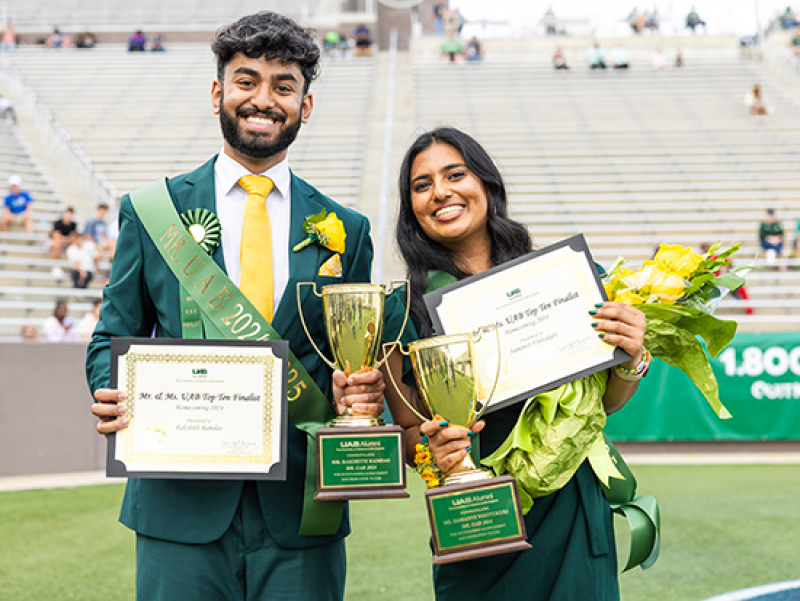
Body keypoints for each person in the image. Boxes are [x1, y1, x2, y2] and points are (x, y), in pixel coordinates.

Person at [86, 11, 387, 600]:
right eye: (248, 81)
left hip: (302, 508)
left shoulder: (348, 231)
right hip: (180, 506)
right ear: (219, 92)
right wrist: (109, 389)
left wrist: (360, 390)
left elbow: (353, 360)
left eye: (284, 85)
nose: (263, 99)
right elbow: (110, 337)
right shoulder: (154, 212)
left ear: (305, 105)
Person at [384, 127, 648, 600]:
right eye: (421, 185)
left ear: (486, 184)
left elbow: (603, 405)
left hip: (571, 500)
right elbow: (407, 430)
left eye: (455, 174)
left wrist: (631, 357)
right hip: (479, 511)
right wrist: (433, 454)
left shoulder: (556, 277)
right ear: (412, 211)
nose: (440, 191)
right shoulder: (401, 310)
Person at [48, 206, 77, 275]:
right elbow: (56, 235)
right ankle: (56, 266)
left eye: (70, 214)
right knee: (57, 244)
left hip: (65, 243)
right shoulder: (58, 223)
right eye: (67, 214)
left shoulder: (73, 224)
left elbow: (73, 237)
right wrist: (66, 239)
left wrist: (66, 239)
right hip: (53, 242)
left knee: (74, 245)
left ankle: (75, 266)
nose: (68, 216)